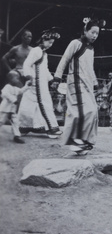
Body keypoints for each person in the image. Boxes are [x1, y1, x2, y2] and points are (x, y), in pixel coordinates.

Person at [52, 18, 106, 154]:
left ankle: (83, 141)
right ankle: (76, 140)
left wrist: (95, 83)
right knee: (82, 111)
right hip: (75, 83)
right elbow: (64, 59)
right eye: (93, 32)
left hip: (86, 85)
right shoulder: (76, 43)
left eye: (97, 34)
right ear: (85, 30)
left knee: (93, 110)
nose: (95, 36)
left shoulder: (91, 48)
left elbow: (90, 68)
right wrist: (57, 78)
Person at [18, 28, 62, 138]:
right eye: (49, 42)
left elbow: (45, 69)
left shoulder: (44, 53)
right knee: (44, 103)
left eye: (52, 43)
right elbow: (26, 64)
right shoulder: (36, 51)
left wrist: (51, 79)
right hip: (34, 84)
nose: (51, 45)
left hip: (41, 84)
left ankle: (24, 127)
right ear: (43, 40)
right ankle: (51, 128)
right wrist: (29, 77)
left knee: (28, 105)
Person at [0, 71, 31, 144]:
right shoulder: (7, 87)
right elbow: (5, 94)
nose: (18, 80)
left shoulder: (15, 88)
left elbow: (20, 91)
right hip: (5, 109)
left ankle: (17, 136)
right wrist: (13, 100)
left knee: (16, 122)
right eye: (17, 78)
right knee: (1, 121)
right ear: (10, 79)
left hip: (12, 109)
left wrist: (27, 86)